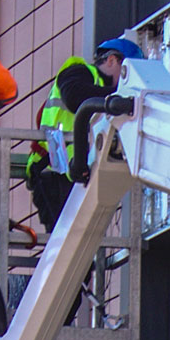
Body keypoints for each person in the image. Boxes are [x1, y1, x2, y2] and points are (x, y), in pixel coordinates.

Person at [24, 36, 141, 230]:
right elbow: (75, 97)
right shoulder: (78, 71)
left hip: (75, 172)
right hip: (54, 170)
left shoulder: (105, 92)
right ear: (112, 60)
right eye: (126, 70)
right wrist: (120, 99)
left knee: (78, 237)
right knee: (64, 236)